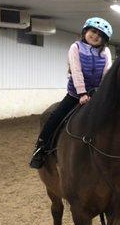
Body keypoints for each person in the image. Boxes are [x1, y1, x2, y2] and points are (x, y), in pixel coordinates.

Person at [29, 17, 113, 169]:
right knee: (55, 117)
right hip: (76, 94)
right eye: (93, 31)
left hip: (97, 95)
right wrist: (82, 94)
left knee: (117, 115)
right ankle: (41, 148)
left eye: (100, 35)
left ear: (104, 40)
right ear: (85, 31)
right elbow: (76, 71)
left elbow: (107, 73)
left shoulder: (106, 51)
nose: (95, 36)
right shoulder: (76, 48)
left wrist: (103, 92)